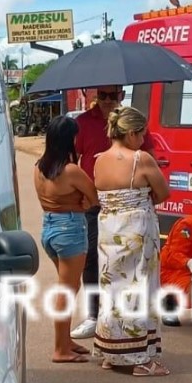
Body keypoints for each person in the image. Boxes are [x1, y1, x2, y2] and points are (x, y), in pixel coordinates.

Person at [70, 86, 156, 340]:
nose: (108, 100)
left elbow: (148, 152)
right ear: (95, 97)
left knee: (131, 266)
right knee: (93, 262)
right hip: (94, 203)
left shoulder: (131, 121)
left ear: (121, 95)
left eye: (113, 95)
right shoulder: (83, 123)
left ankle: (130, 321)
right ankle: (95, 315)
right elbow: (72, 158)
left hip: (129, 205)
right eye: (103, 95)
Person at [91, 106, 171, 376]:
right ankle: (140, 358)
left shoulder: (98, 159)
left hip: (108, 228)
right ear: (133, 133)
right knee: (139, 286)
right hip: (136, 229)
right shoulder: (141, 158)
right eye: (142, 134)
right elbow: (163, 193)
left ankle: (111, 351)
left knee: (112, 288)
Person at [33, 116, 100, 364]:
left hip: (49, 227)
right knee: (67, 290)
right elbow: (94, 198)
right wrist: (80, 202)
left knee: (68, 287)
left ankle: (65, 341)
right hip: (70, 228)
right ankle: (60, 348)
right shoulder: (71, 171)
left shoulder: (39, 167)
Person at [159, 210, 192, 326]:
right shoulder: (189, 225)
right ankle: (169, 300)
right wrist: (188, 262)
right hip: (175, 269)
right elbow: (172, 255)